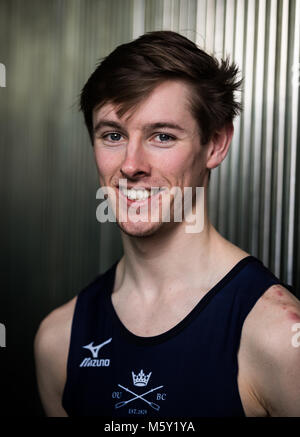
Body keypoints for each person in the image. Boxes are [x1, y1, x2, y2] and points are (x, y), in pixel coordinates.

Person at [34, 31, 300, 417]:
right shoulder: (58, 340)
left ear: (215, 144)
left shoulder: (279, 336)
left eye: (161, 136)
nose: (130, 165)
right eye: (113, 135)